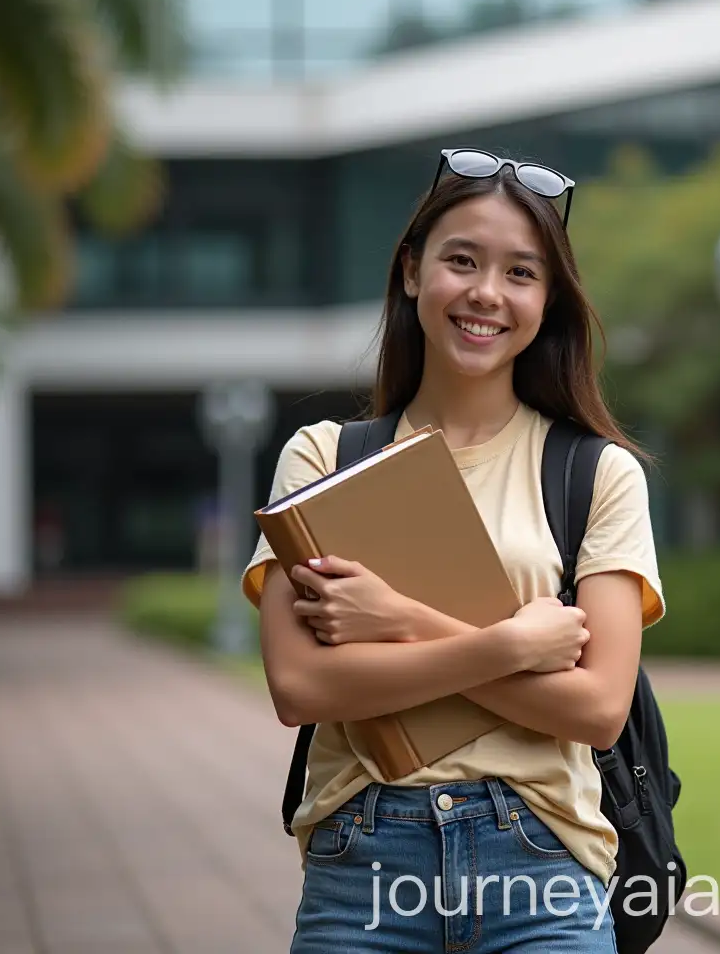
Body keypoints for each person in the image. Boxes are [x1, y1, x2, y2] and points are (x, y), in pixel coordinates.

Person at [241, 147, 666, 952]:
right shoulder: (323, 458)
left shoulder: (593, 473)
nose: (486, 294)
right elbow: (300, 687)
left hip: (541, 868)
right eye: (462, 261)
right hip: (360, 868)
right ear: (411, 272)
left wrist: (395, 619)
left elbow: (600, 710)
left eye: (520, 273)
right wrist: (513, 647)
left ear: (548, 300)